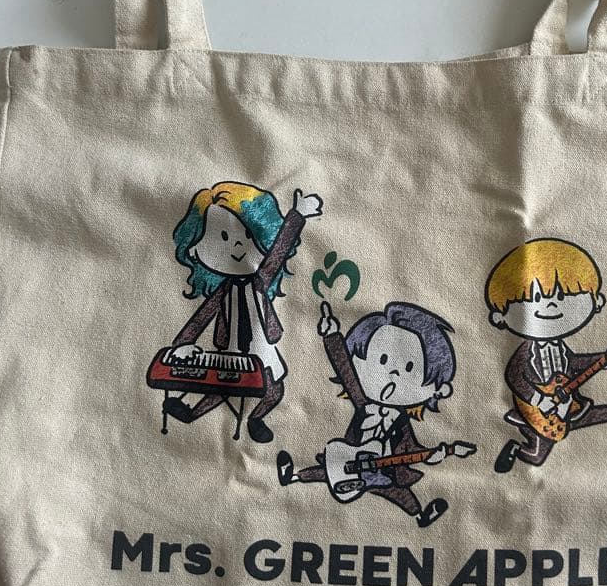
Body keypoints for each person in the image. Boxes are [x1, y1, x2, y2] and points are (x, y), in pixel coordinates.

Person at [277, 300, 473, 527]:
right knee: (328, 471)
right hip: (349, 458)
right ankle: (292, 476)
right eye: (383, 359)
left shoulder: (400, 421)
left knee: (399, 492)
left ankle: (421, 516)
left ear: (435, 388)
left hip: (383, 472)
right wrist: (332, 336)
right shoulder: (363, 403)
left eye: (409, 368)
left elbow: (410, 448)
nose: (394, 373)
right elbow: (346, 372)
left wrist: (434, 454)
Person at [156, 181, 322, 443]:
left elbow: (278, 253)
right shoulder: (223, 290)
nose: (238, 247)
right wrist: (184, 344)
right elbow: (201, 318)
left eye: (247, 236)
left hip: (262, 348)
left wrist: (297, 216)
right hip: (231, 348)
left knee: (274, 389)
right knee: (221, 388)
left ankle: (256, 418)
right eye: (223, 238)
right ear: (195, 249)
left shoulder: (260, 279)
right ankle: (190, 414)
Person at [485, 237, 607, 473]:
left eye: (561, 297)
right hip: (537, 407)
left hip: (562, 404)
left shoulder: (560, 347)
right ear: (500, 316)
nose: (550, 306)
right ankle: (517, 449)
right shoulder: (526, 351)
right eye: (536, 298)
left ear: (595, 302)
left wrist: (604, 359)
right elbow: (515, 377)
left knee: (581, 416)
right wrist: (539, 400)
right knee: (538, 455)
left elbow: (574, 363)